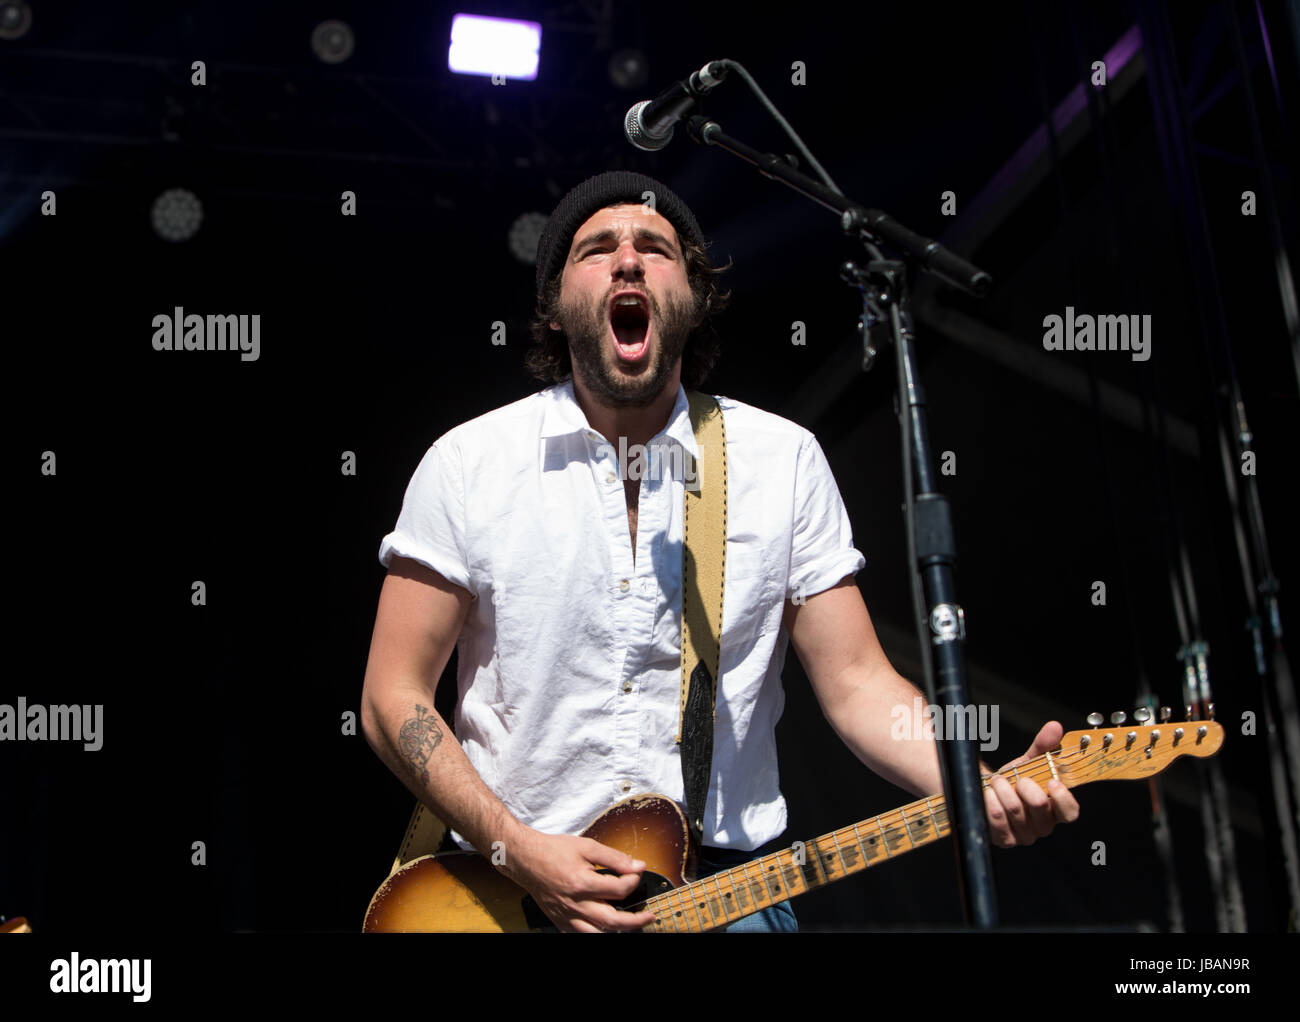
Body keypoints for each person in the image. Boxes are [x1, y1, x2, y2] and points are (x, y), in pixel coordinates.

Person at [360, 170, 1079, 933]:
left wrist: (972, 783)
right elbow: (391, 696)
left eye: (657, 249)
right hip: (511, 891)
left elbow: (861, 684)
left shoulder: (780, 459)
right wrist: (519, 852)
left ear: (695, 298)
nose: (629, 260)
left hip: (727, 896)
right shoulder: (471, 463)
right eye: (596, 249)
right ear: (556, 308)